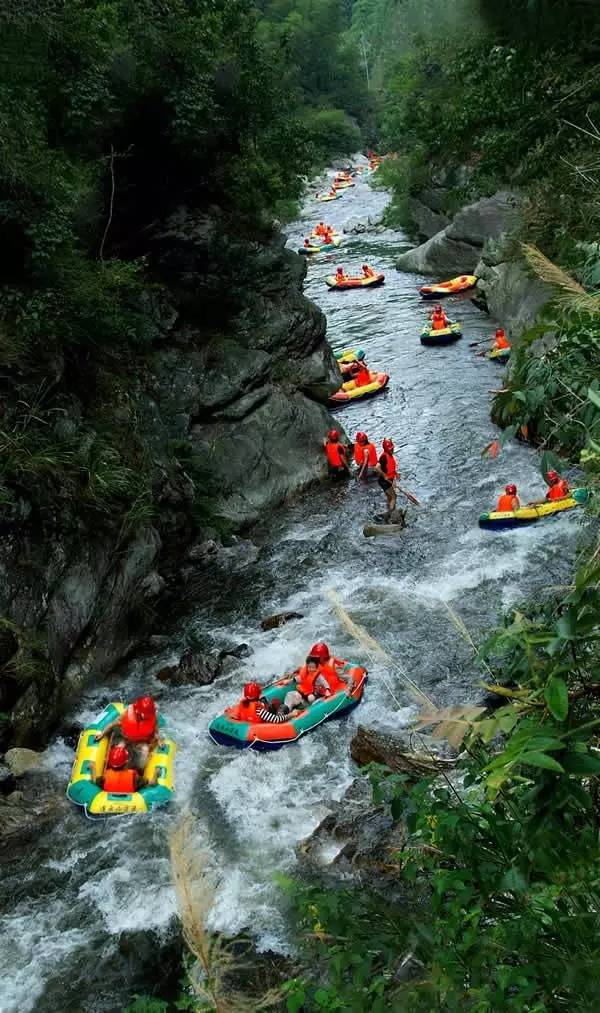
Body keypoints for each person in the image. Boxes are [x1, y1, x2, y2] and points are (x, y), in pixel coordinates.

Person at [94, 695, 162, 773]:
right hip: (125, 738)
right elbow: (113, 724)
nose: (146, 716)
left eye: (148, 714)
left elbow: (156, 732)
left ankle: (139, 772)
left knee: (145, 750)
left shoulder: (153, 718)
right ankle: (112, 769)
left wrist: (159, 740)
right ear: (137, 711)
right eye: (144, 714)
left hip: (141, 741)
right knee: (120, 747)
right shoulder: (126, 714)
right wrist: (102, 734)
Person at [282, 643, 353, 714]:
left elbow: (349, 678)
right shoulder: (313, 664)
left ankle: (301, 712)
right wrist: (292, 674)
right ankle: (283, 713)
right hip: (311, 693)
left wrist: (349, 688)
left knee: (315, 703)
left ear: (322, 657)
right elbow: (302, 672)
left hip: (326, 696)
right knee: (291, 695)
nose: (313, 658)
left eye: (315, 657)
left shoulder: (335, 667)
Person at [376, 437, 398, 514]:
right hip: (384, 481)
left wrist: (396, 474)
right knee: (394, 497)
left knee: (389, 496)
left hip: (387, 480)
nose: (392, 450)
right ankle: (391, 513)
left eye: (392, 449)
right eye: (390, 449)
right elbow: (377, 467)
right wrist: (384, 475)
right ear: (386, 449)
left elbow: (389, 467)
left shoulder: (389, 455)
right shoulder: (384, 457)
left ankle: (388, 510)